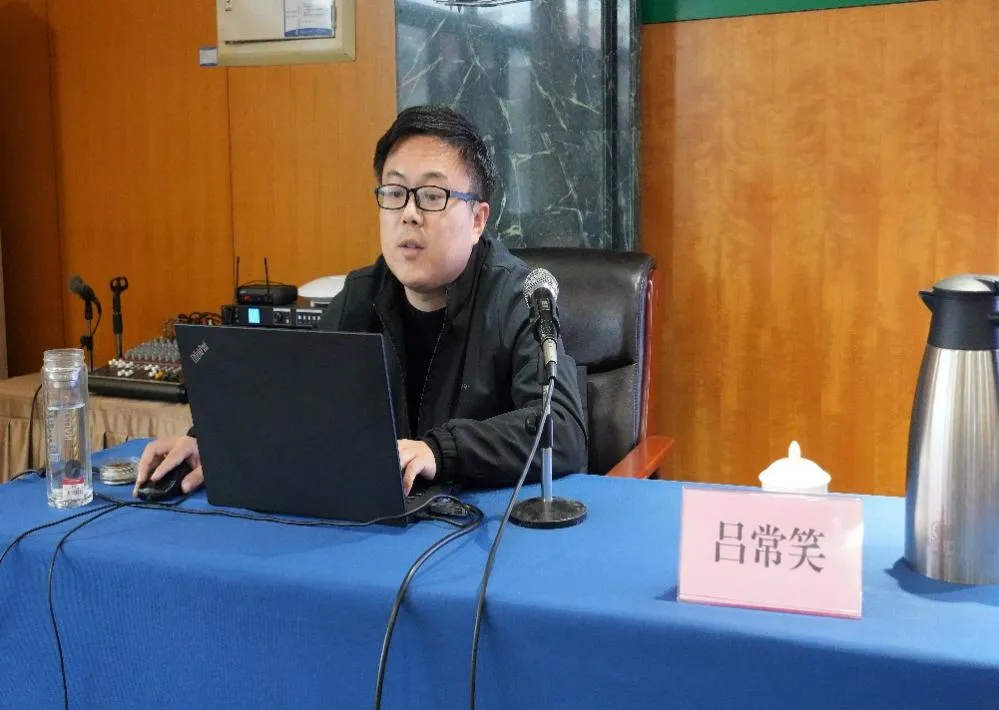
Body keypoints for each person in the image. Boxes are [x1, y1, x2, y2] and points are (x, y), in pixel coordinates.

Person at [134, 104, 587, 499]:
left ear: (477, 220)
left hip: (482, 531)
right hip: (383, 527)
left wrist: (439, 452)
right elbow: (293, 396)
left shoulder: (520, 298)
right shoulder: (361, 295)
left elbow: (563, 431)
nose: (409, 213)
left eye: (432, 196)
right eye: (395, 193)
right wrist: (210, 440)